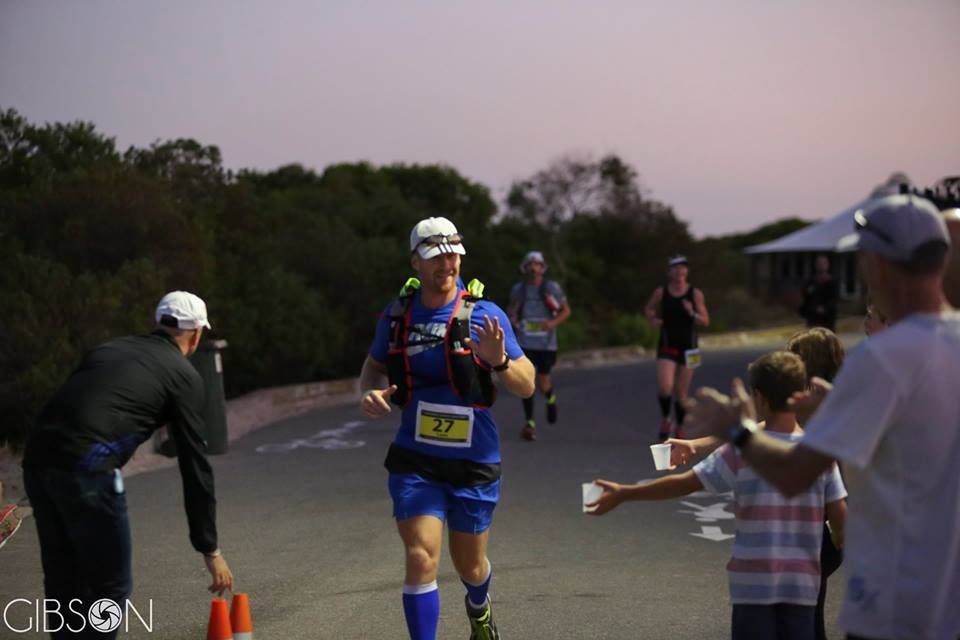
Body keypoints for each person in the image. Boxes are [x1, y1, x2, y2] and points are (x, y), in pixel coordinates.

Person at [685, 194, 960, 640]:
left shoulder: (882, 360)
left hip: (896, 604)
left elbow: (793, 474)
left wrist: (734, 429)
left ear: (881, 265)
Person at [589, 351, 847, 640]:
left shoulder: (740, 451)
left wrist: (625, 493)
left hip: (752, 587)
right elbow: (840, 520)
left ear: (759, 398)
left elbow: (685, 483)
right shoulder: (818, 454)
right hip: (801, 588)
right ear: (800, 395)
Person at [359, 217, 535, 640]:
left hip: (474, 460)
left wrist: (499, 361)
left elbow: (526, 382)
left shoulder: (484, 315)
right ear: (415, 263)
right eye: (436, 256)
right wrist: (370, 393)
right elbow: (374, 365)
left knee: (471, 567)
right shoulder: (397, 315)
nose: (447, 264)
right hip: (415, 459)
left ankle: (479, 607)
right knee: (421, 557)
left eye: (453, 255)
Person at [21, 291, 234, 639]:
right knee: (110, 587)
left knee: (64, 581)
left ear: (158, 323)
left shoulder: (110, 349)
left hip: (38, 461)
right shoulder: (183, 375)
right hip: (89, 469)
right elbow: (195, 466)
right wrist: (209, 547)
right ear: (197, 334)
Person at [507, 250, 572, 441]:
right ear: (524, 268)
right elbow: (511, 311)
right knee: (527, 382)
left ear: (542, 268)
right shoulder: (518, 290)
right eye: (530, 264)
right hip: (525, 341)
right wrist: (513, 321)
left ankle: (550, 399)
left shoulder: (551, 288)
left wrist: (552, 323)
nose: (533, 268)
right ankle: (529, 424)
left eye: (537, 265)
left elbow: (566, 311)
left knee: (543, 383)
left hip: (546, 343)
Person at [644, 255, 710, 441]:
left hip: (689, 347)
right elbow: (649, 309)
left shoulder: (695, 293)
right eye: (675, 268)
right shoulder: (661, 292)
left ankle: (680, 427)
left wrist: (691, 312)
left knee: (681, 392)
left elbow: (705, 321)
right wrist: (653, 319)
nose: (679, 271)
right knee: (665, 387)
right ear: (669, 272)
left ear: (687, 271)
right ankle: (667, 419)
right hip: (667, 344)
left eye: (683, 268)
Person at [799, 255, 839, 332]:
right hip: (813, 315)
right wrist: (808, 292)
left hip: (828, 317)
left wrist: (825, 308)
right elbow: (805, 296)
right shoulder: (811, 281)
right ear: (815, 265)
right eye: (819, 263)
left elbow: (834, 298)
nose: (821, 266)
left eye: (824, 263)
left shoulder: (832, 281)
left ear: (828, 265)